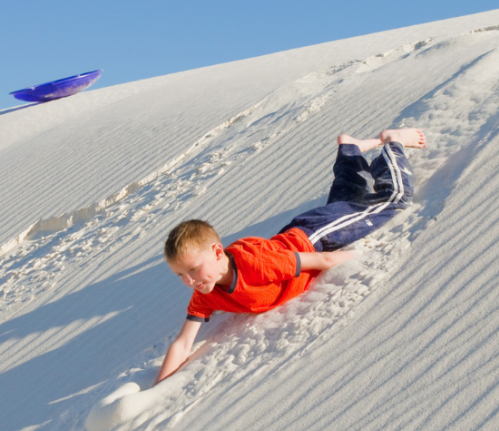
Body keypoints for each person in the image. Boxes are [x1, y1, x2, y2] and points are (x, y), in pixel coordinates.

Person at [155, 127, 426, 383]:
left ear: (216, 252)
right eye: (180, 275)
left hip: (316, 237)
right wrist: (157, 390)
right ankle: (350, 149)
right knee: (349, 196)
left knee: (392, 200)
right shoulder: (205, 292)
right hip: (299, 234)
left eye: (192, 269)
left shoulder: (255, 263)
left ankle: (393, 142)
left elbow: (324, 261)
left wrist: (367, 255)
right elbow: (183, 344)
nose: (189, 280)